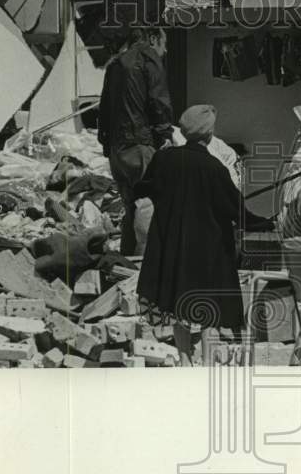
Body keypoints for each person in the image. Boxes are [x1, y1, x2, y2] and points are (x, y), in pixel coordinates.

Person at [135, 105, 274, 345]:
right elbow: (238, 213)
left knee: (177, 309)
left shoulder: (164, 159)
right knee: (210, 311)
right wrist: (267, 223)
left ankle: (184, 360)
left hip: (174, 248)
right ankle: (207, 361)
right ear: (209, 134)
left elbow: (143, 188)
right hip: (208, 252)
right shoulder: (214, 168)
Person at [97, 25, 173, 256]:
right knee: (149, 203)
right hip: (140, 144)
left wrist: (106, 144)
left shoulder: (115, 64)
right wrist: (165, 136)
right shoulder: (148, 59)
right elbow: (158, 102)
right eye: (164, 44)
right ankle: (146, 263)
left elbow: (104, 108)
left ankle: (128, 262)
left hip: (117, 149)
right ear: (153, 39)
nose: (165, 50)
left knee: (130, 206)